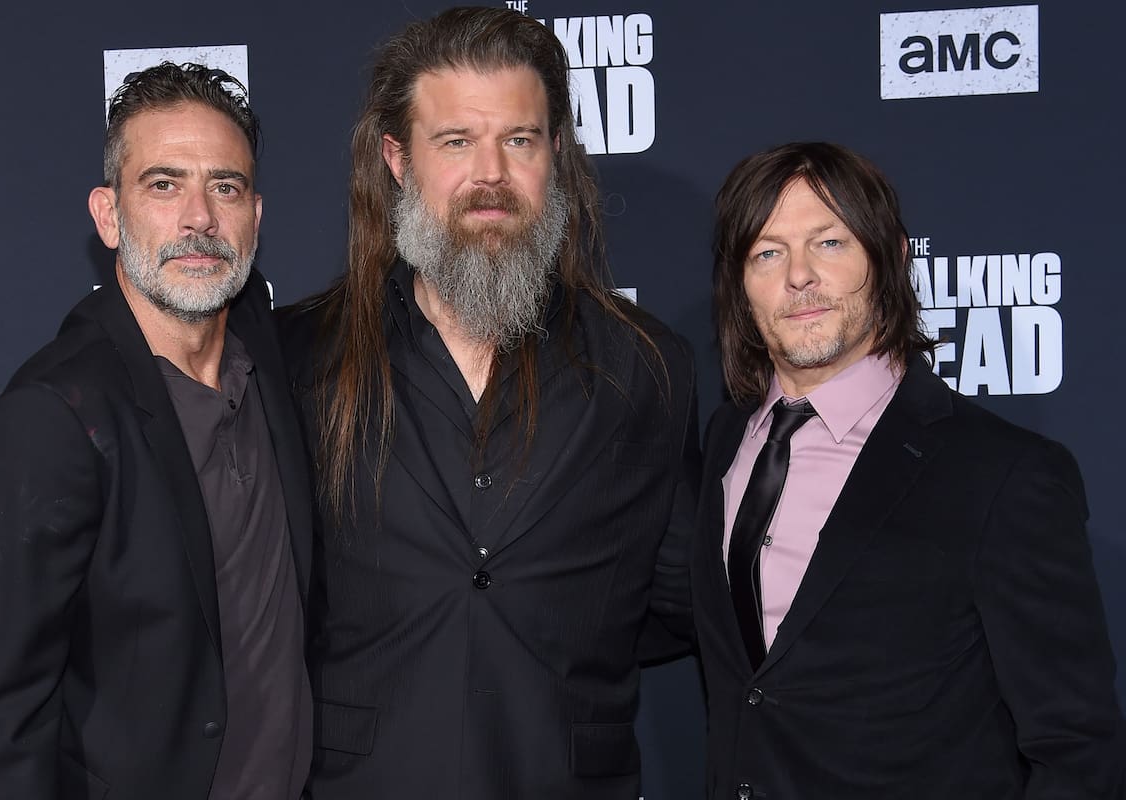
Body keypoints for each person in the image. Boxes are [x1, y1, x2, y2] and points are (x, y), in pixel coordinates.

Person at [280, 7, 699, 799]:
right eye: (456, 142)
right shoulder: (299, 354)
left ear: (556, 156)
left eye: (519, 139)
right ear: (398, 159)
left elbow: (675, 595)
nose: (491, 175)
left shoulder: (645, 365)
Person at [692, 141, 1126, 799]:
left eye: (829, 243)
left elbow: (1076, 746)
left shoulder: (1003, 474)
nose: (799, 276)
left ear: (891, 256)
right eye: (767, 252)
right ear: (740, 284)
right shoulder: (726, 442)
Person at [0, 63, 313, 800]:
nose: (200, 218)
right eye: (164, 184)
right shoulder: (51, 417)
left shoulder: (280, 361)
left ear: (256, 218)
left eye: (226, 187)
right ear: (109, 215)